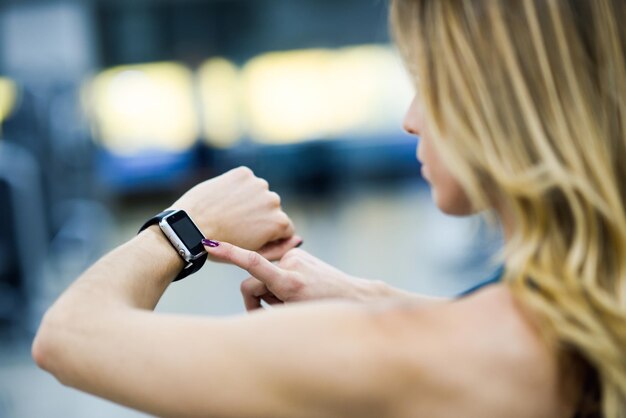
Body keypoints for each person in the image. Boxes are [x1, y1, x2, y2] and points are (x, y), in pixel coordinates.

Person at [32, 0, 626, 416]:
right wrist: (368, 299)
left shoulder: (405, 354)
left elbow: (68, 337)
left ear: (503, 100)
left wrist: (183, 227)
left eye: (429, 81)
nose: (411, 117)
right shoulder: (597, 314)